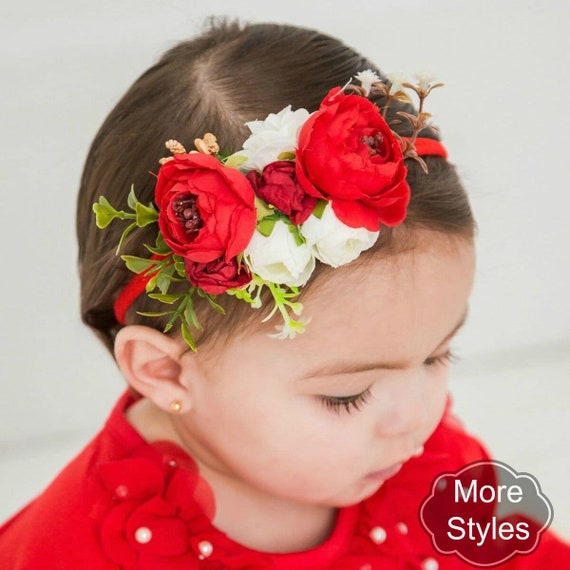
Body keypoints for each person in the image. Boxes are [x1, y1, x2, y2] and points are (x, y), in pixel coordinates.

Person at [0, 19, 568, 569]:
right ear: (169, 373)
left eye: (438, 355)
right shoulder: (71, 553)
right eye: (347, 396)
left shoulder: (427, 468)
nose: (420, 416)